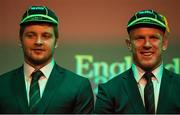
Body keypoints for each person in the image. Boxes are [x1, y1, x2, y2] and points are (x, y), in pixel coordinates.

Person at [0, 6, 94, 114]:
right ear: (20, 40)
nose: (38, 42)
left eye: (46, 36)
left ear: (56, 41)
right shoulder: (2, 85)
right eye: (31, 35)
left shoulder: (78, 86)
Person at [95, 9, 180, 114]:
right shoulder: (109, 91)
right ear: (129, 44)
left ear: (164, 43)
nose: (147, 44)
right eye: (139, 38)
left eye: (154, 38)